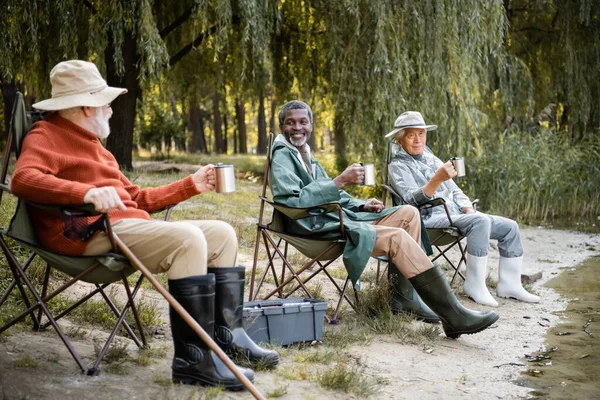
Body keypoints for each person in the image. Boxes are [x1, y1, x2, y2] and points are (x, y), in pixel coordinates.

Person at [10, 60, 279, 390]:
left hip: (120, 228)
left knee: (222, 234)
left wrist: (191, 184)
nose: (110, 109)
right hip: (87, 233)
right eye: (105, 103)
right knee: (188, 239)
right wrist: (87, 192)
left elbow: (136, 197)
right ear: (85, 106)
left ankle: (228, 339)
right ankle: (193, 362)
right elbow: (24, 179)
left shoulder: (98, 149)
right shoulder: (45, 134)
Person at [269, 100, 499, 339]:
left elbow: (331, 193)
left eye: (303, 122)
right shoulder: (284, 155)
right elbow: (290, 201)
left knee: (409, 213)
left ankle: (403, 299)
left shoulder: (303, 152)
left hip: (331, 216)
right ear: (281, 126)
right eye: (290, 123)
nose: (297, 128)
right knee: (398, 237)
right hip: (311, 226)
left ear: (311, 125)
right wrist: (340, 180)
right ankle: (454, 316)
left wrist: (362, 204)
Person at [386, 111, 540, 307]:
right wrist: (436, 180)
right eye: (411, 135)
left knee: (510, 227)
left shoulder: (431, 159)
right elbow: (411, 200)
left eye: (421, 134)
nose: (418, 140)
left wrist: (468, 208)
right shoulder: (397, 166)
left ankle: (510, 285)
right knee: (480, 222)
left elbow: (455, 190)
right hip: (427, 219)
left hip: (455, 214)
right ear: (400, 140)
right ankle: (475, 285)